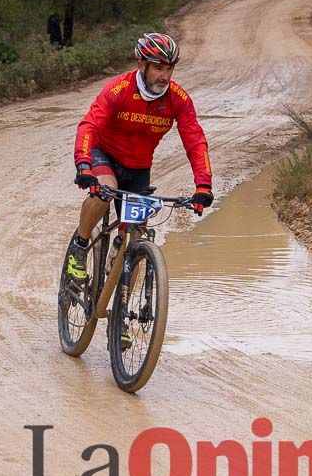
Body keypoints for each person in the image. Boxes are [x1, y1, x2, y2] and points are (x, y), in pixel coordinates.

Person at [65, 32, 214, 287]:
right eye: (158, 68)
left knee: (134, 238)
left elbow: (195, 141)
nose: (164, 76)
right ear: (141, 65)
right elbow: (88, 126)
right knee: (105, 191)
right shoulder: (118, 90)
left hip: (138, 167)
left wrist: (203, 185)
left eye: (169, 69)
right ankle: (79, 249)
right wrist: (84, 165)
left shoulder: (178, 99)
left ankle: (121, 318)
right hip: (104, 154)